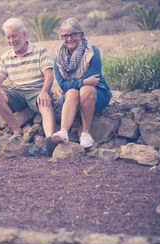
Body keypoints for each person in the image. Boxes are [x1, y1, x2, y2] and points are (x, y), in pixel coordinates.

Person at [0, 18, 57, 154]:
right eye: (8, 37)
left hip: (36, 90)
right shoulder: (5, 57)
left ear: (24, 35)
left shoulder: (39, 51)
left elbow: (49, 75)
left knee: (44, 101)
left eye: (14, 36)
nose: (11, 40)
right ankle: (17, 132)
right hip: (16, 92)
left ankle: (50, 140)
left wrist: (44, 92)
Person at [51, 17, 112, 148]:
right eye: (65, 35)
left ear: (81, 35)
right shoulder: (58, 59)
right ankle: (63, 132)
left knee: (85, 89)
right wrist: (82, 81)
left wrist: (71, 84)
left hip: (96, 95)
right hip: (71, 100)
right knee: (72, 92)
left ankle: (86, 133)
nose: (69, 38)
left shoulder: (92, 52)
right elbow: (62, 85)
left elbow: (93, 81)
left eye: (73, 34)